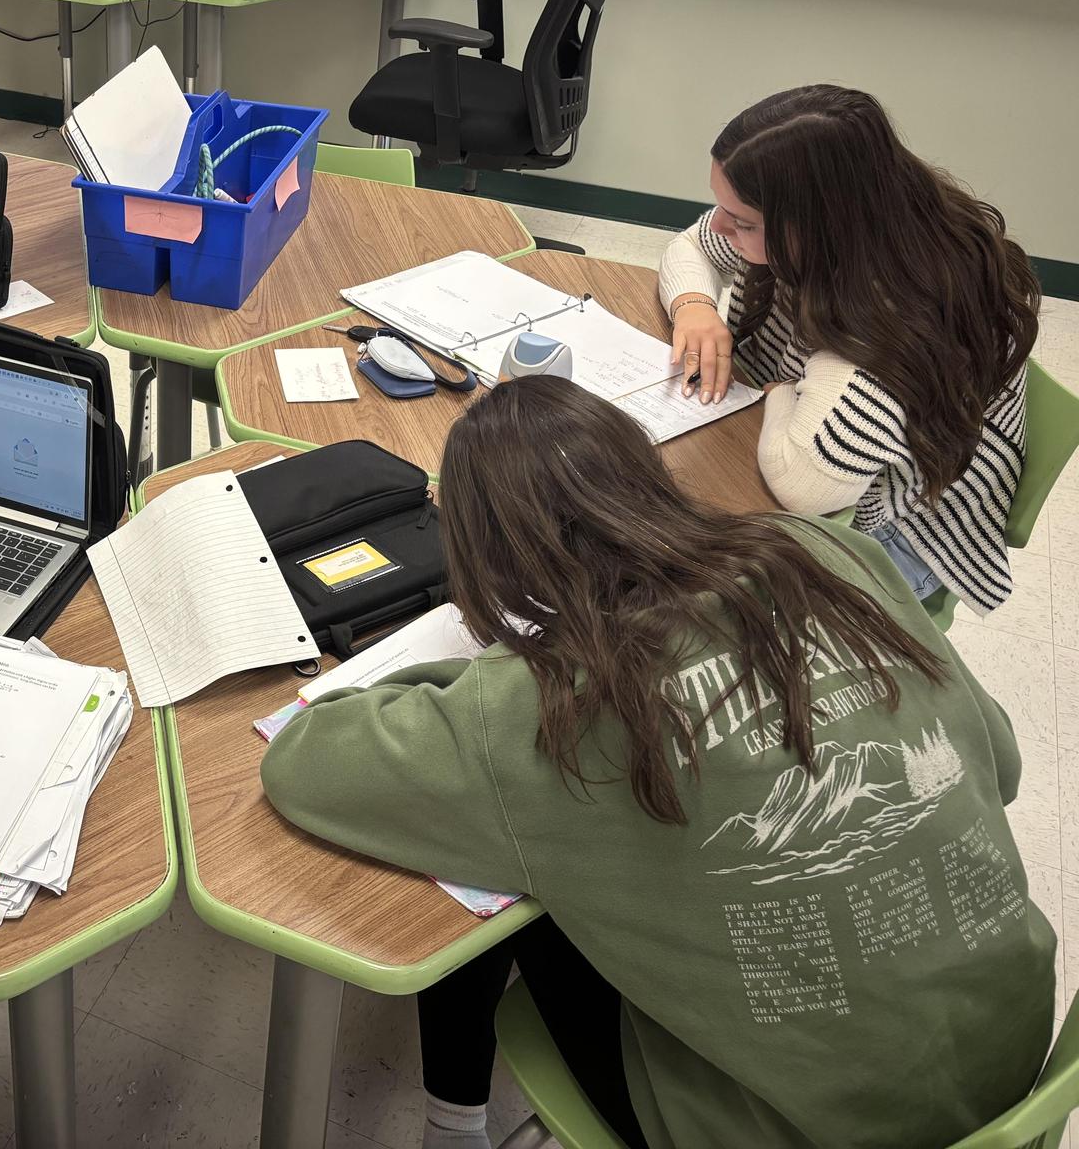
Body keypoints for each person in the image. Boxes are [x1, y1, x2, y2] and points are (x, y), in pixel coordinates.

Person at [263, 377, 1055, 1149]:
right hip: (1014, 1066)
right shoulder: (829, 551)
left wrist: (481, 678)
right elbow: (1004, 765)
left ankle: (452, 1123)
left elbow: (302, 761)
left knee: (515, 876)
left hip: (790, 1126)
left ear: (486, 560)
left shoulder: (536, 708)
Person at [661, 84, 1040, 612]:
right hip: (835, 448)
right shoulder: (869, 214)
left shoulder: (887, 325)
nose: (720, 226)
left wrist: (779, 393)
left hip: (906, 531)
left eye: (743, 222)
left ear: (815, 227)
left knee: (707, 604)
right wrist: (696, 306)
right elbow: (691, 245)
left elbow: (806, 487)